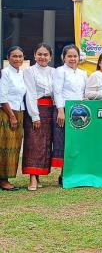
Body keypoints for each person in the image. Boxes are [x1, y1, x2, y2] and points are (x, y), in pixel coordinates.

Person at [22, 43, 55, 191]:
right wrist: (35, 115)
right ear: (34, 55)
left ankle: (40, 174)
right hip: (35, 108)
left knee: (46, 143)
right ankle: (32, 177)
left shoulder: (54, 71)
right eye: (39, 54)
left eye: (45, 54)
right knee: (34, 142)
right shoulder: (29, 71)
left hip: (51, 109)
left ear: (50, 57)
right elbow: (30, 93)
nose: (42, 57)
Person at [53, 44, 88, 183]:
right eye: (69, 56)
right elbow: (57, 91)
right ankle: (64, 174)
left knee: (79, 143)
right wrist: (60, 111)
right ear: (63, 57)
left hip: (81, 111)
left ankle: (77, 172)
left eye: (75, 56)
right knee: (66, 142)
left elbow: (84, 92)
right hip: (66, 110)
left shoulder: (83, 73)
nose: (72, 59)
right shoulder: (60, 71)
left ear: (79, 58)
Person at [0, 46, 27, 191]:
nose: (17, 59)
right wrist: (11, 116)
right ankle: (3, 180)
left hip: (20, 111)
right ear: (8, 58)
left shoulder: (21, 74)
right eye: (14, 56)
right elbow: (2, 96)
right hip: (7, 113)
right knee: (5, 147)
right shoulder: (5, 73)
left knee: (15, 147)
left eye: (20, 56)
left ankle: (7, 178)